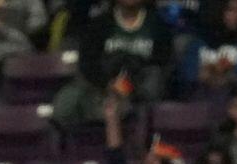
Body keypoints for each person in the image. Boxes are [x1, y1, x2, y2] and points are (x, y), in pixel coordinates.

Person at [50, 0, 174, 128]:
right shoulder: (99, 25)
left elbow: (163, 65)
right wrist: (109, 84)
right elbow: (88, 65)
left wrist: (131, 86)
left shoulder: (159, 27)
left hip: (139, 95)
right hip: (101, 92)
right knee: (68, 100)